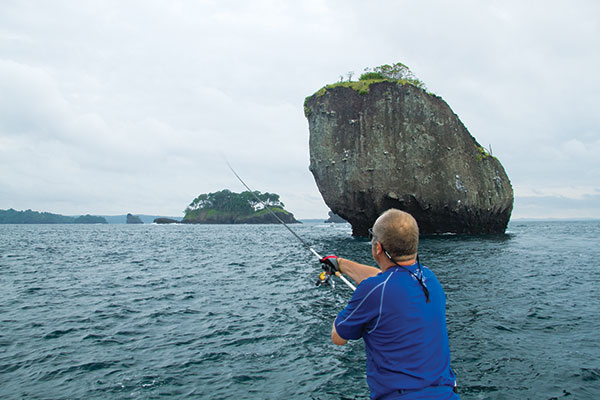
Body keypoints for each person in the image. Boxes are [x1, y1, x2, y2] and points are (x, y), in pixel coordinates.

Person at [321, 209, 459, 400]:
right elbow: (385, 278)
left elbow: (339, 337)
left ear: (378, 247)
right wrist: (341, 264)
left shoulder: (374, 291)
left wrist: (342, 316)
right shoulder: (429, 278)